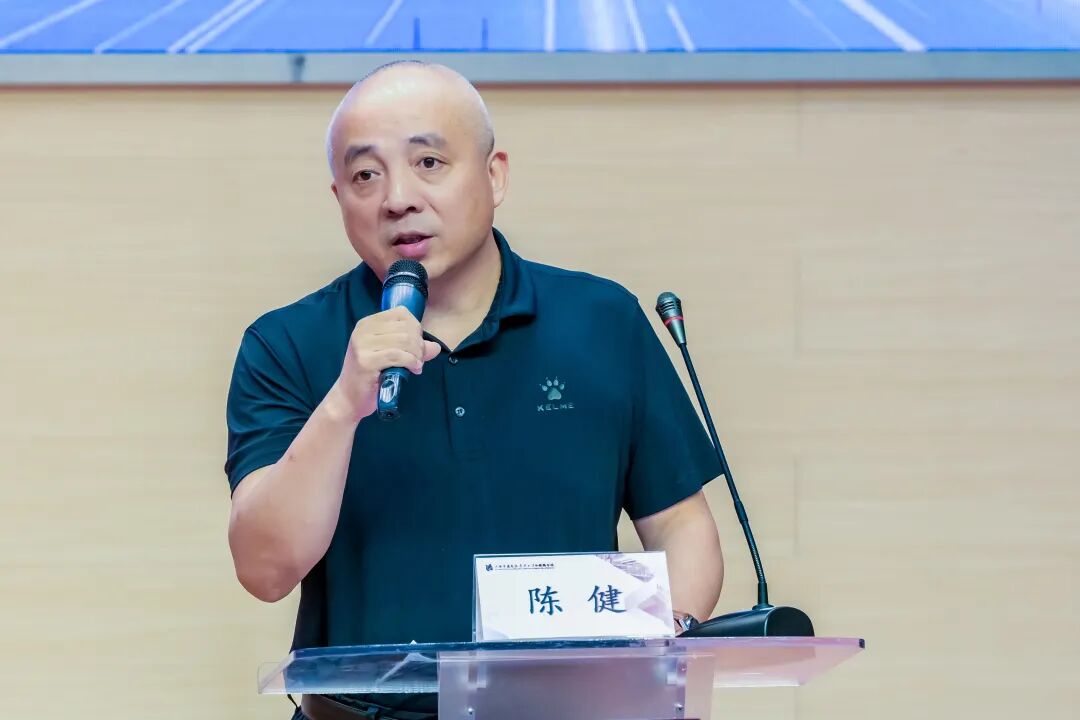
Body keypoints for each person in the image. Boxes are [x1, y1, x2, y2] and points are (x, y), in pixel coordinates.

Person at [224, 60, 724, 720]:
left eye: (428, 162)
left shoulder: (601, 320)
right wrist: (344, 404)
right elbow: (265, 570)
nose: (397, 198)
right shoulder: (287, 343)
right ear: (339, 197)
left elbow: (681, 524)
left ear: (495, 176)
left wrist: (666, 646)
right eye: (366, 175)